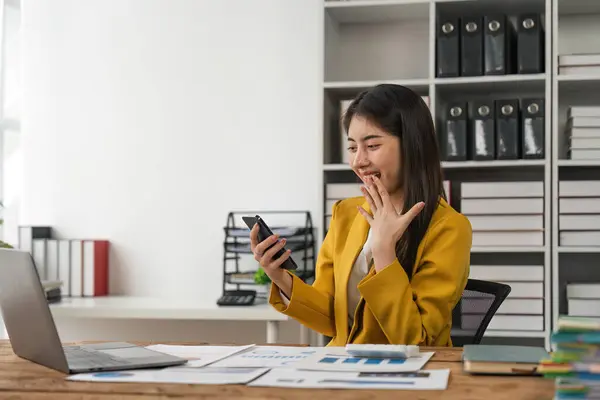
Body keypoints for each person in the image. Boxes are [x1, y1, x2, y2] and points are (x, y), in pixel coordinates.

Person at [250, 84, 472, 347]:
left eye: (372, 145)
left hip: (409, 375)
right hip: (344, 368)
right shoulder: (345, 213)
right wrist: (279, 277)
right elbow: (333, 319)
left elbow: (417, 341)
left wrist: (384, 251)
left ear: (413, 146)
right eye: (353, 148)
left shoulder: (449, 228)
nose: (358, 161)